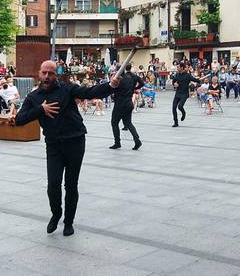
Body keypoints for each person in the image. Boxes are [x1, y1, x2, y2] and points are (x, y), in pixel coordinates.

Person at [13, 60, 119, 237]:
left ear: (56, 75)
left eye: (51, 73)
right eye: (44, 73)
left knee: (71, 185)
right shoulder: (34, 97)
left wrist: (110, 86)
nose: (47, 76)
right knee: (53, 184)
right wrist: (40, 109)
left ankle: (69, 222)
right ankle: (56, 214)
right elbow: (19, 120)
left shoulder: (67, 89)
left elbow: (89, 92)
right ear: (39, 74)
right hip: (53, 145)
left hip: (75, 141)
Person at [109, 65, 143, 150]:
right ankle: (137, 140)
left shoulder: (117, 79)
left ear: (118, 71)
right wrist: (135, 89)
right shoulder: (130, 78)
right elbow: (136, 86)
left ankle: (117, 143)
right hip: (129, 103)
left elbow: (112, 90)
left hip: (120, 104)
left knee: (114, 123)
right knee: (128, 123)